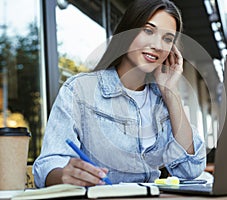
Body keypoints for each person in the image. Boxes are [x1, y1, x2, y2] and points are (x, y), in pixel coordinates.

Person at [33, 0, 206, 188]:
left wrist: (171, 93)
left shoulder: (162, 101)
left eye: (167, 39)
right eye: (148, 30)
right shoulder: (80, 90)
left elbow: (190, 169)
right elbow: (47, 166)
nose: (157, 45)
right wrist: (64, 176)